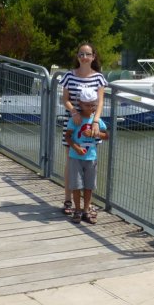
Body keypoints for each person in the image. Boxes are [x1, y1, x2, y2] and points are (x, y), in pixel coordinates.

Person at [58, 42, 107, 215]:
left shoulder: (99, 77)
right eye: (81, 54)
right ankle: (68, 199)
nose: (84, 57)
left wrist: (96, 121)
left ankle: (87, 204)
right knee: (71, 162)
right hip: (74, 123)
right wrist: (73, 112)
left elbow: (100, 101)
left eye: (87, 54)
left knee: (90, 162)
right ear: (77, 57)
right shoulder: (69, 76)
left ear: (93, 57)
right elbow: (65, 99)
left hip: (90, 124)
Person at [64, 87, 108, 224]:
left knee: (89, 186)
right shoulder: (75, 120)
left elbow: (106, 135)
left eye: (93, 105)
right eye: (87, 105)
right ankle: (77, 210)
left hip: (91, 157)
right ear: (80, 104)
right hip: (75, 157)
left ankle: (86, 210)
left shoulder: (97, 121)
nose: (91, 108)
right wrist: (76, 148)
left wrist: (96, 134)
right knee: (76, 185)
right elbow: (68, 136)